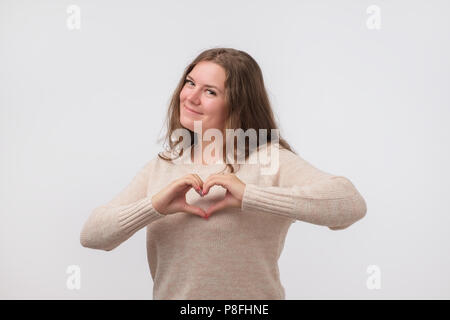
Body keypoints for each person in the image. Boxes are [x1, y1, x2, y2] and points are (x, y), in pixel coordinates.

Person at [80, 47, 367, 300]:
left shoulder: (267, 158)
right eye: (190, 83)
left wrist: (250, 196)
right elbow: (93, 235)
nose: (191, 97)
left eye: (210, 91)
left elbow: (349, 204)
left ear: (238, 104)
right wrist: (154, 206)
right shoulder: (165, 164)